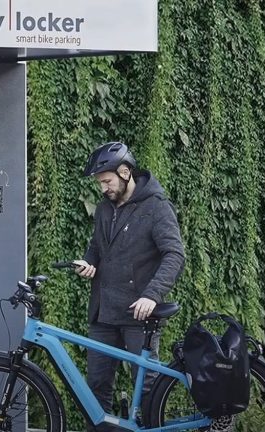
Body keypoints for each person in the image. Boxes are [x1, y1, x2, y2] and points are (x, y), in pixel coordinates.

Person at [72, 142, 185, 431]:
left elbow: (174, 255)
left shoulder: (156, 207)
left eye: (107, 181)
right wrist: (88, 263)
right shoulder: (103, 209)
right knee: (96, 386)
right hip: (103, 313)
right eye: (100, 183)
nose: (103, 188)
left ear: (125, 172)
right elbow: (96, 247)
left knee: (147, 388)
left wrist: (152, 295)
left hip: (139, 314)